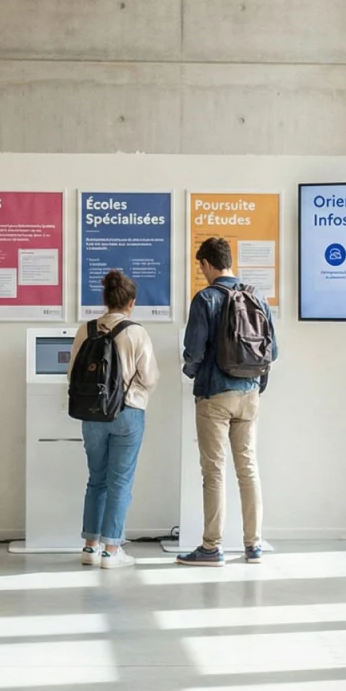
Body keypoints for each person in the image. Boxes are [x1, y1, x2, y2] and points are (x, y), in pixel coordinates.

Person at [177, 237, 279, 567]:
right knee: (248, 470)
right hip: (249, 394)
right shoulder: (256, 295)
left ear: (207, 264)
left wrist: (191, 371)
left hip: (214, 394)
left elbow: (194, 350)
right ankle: (254, 545)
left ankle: (211, 547)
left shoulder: (205, 298)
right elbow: (272, 351)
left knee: (214, 472)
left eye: (201, 267)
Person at [69, 271, 160, 569]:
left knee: (96, 479)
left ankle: (89, 547)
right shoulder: (137, 332)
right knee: (120, 482)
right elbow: (150, 377)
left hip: (91, 415)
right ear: (131, 303)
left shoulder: (86, 330)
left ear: (105, 299)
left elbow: (72, 374)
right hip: (127, 412)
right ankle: (111, 551)